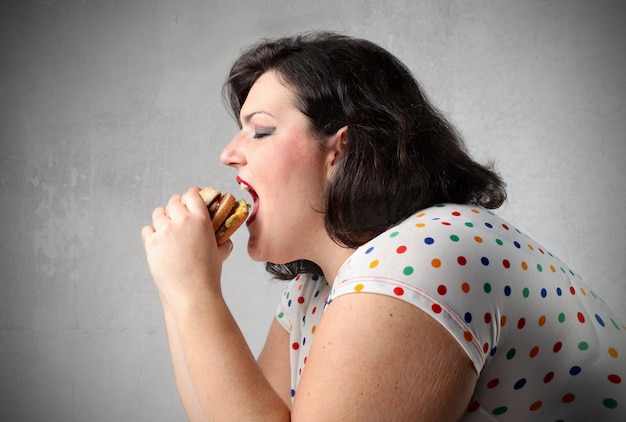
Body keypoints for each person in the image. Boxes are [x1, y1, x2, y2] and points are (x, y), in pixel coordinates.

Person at [141, 31, 625, 421]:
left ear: (341, 150)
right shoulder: (315, 289)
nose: (229, 153)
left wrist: (194, 293)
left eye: (260, 129)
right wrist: (178, 289)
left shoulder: (417, 257)